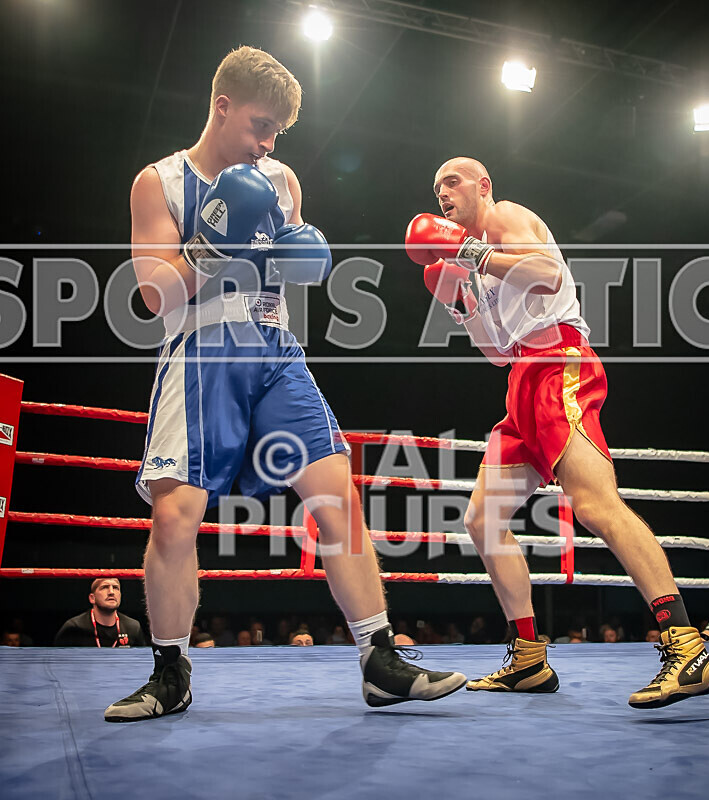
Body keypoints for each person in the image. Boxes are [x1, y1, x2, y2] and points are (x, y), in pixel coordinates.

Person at [104, 46, 465, 723]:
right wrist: (211, 245)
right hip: (202, 352)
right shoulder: (158, 183)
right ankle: (169, 673)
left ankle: (379, 658)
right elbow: (153, 296)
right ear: (223, 105)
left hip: (275, 349)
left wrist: (301, 256)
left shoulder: (281, 179)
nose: (268, 142)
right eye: (260, 125)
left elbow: (298, 267)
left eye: (277, 133)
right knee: (176, 518)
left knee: (335, 491)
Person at [404, 157, 709, 709]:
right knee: (483, 521)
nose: (443, 193)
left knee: (596, 505)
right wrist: (461, 305)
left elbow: (550, 276)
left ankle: (688, 647)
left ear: (483, 187)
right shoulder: (474, 268)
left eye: (453, 182)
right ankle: (529, 657)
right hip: (522, 380)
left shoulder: (504, 218)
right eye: (437, 187)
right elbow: (496, 354)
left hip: (559, 363)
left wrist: (467, 254)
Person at [54, 578, 147, 648]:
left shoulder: (133, 627)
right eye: (104, 587)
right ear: (92, 598)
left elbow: (143, 663)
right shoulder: (74, 627)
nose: (111, 592)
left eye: (115, 588)